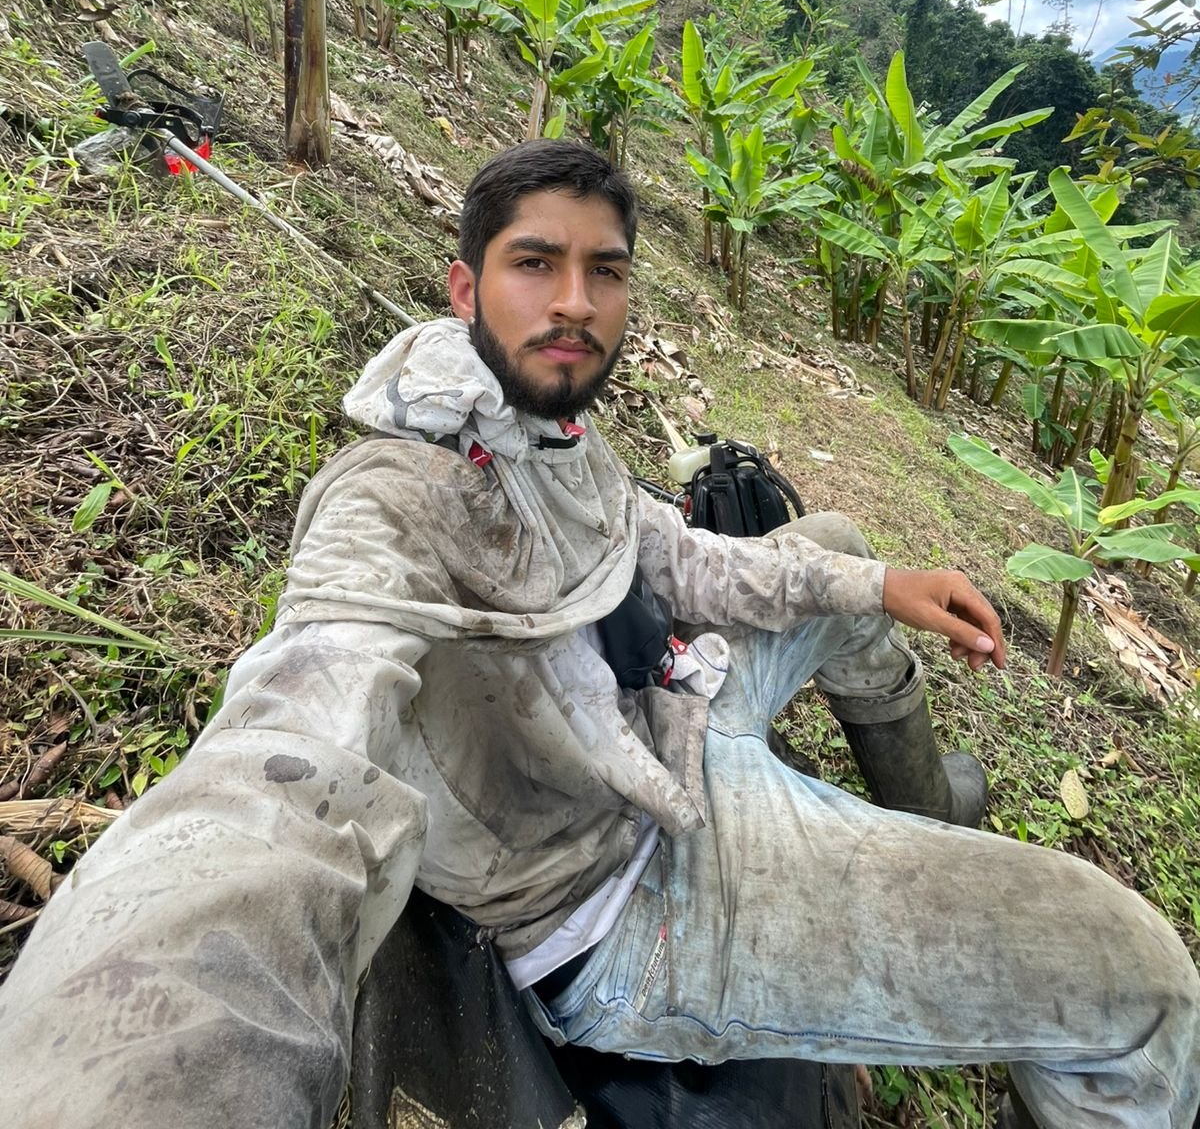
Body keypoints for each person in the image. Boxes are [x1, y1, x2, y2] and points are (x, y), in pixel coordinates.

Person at [0, 140, 1196, 1129]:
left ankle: (928, 802)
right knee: (1140, 980)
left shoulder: (553, 422)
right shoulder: (391, 501)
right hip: (627, 900)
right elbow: (287, 744)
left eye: (603, 270)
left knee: (826, 541)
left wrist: (880, 580)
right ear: (465, 288)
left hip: (668, 731)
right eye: (535, 263)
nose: (574, 299)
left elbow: (672, 552)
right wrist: (134, 1047)